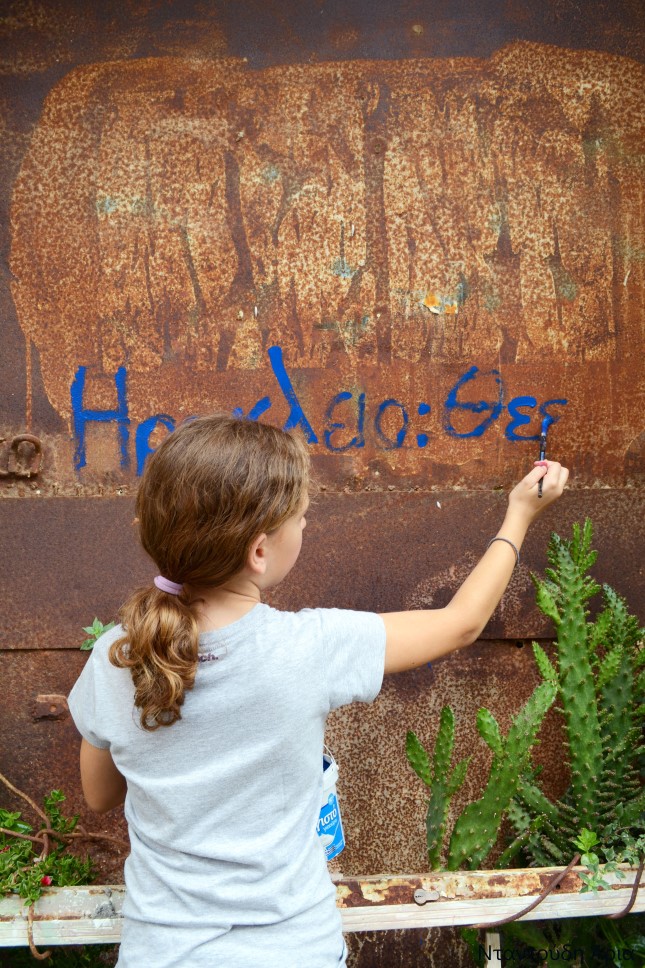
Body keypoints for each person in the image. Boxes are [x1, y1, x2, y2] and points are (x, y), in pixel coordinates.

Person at [67, 413, 568, 968]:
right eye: (302, 518)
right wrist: (520, 513)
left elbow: (101, 795)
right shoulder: (309, 648)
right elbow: (461, 623)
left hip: (161, 953)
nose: (305, 526)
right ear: (259, 552)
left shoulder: (115, 655)